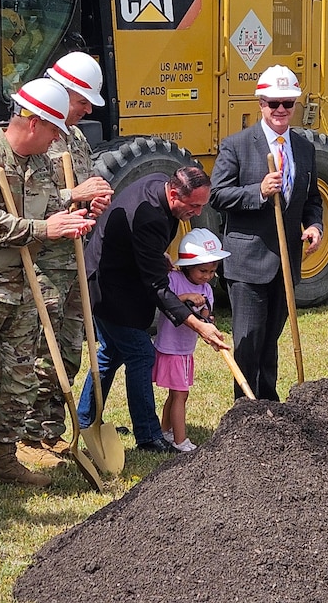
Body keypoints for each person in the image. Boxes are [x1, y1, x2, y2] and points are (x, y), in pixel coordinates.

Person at [0, 77, 94, 489]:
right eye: (53, 131)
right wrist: (46, 228)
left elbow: (54, 201)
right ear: (32, 123)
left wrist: (75, 210)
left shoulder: (41, 164)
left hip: (24, 284)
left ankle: (6, 459)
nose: (56, 140)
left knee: (19, 377)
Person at [76, 166, 229, 453]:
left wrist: (156, 257)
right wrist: (199, 326)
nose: (197, 213)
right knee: (141, 354)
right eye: (193, 206)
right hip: (108, 287)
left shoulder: (160, 184)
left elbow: (146, 253)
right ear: (173, 193)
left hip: (121, 277)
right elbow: (157, 287)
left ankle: (85, 419)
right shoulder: (150, 216)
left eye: (202, 205)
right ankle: (148, 436)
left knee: (111, 353)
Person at [19, 52, 113, 469]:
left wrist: (93, 203)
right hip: (42, 263)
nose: (88, 110)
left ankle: (53, 427)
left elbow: (82, 189)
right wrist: (71, 197)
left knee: (70, 348)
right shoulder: (33, 137)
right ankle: (27, 432)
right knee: (41, 350)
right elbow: (20, 202)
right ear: (63, 91)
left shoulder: (76, 140)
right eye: (83, 101)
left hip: (74, 262)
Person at [210, 65, 323, 401]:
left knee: (270, 338)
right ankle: (245, 410)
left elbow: (311, 199)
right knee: (249, 339)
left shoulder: (304, 149)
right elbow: (217, 195)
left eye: (288, 103)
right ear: (260, 103)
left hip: (286, 262)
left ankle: (269, 404)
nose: (280, 110)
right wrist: (257, 191)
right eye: (273, 103)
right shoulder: (238, 145)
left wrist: (315, 225)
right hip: (248, 262)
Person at [154, 228, 230, 452]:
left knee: (176, 393)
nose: (207, 276)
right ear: (187, 267)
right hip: (171, 349)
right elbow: (167, 302)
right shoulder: (174, 280)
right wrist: (186, 297)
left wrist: (208, 321)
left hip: (186, 349)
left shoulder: (206, 288)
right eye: (202, 271)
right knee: (181, 394)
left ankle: (166, 430)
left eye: (212, 270)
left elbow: (205, 314)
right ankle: (180, 441)